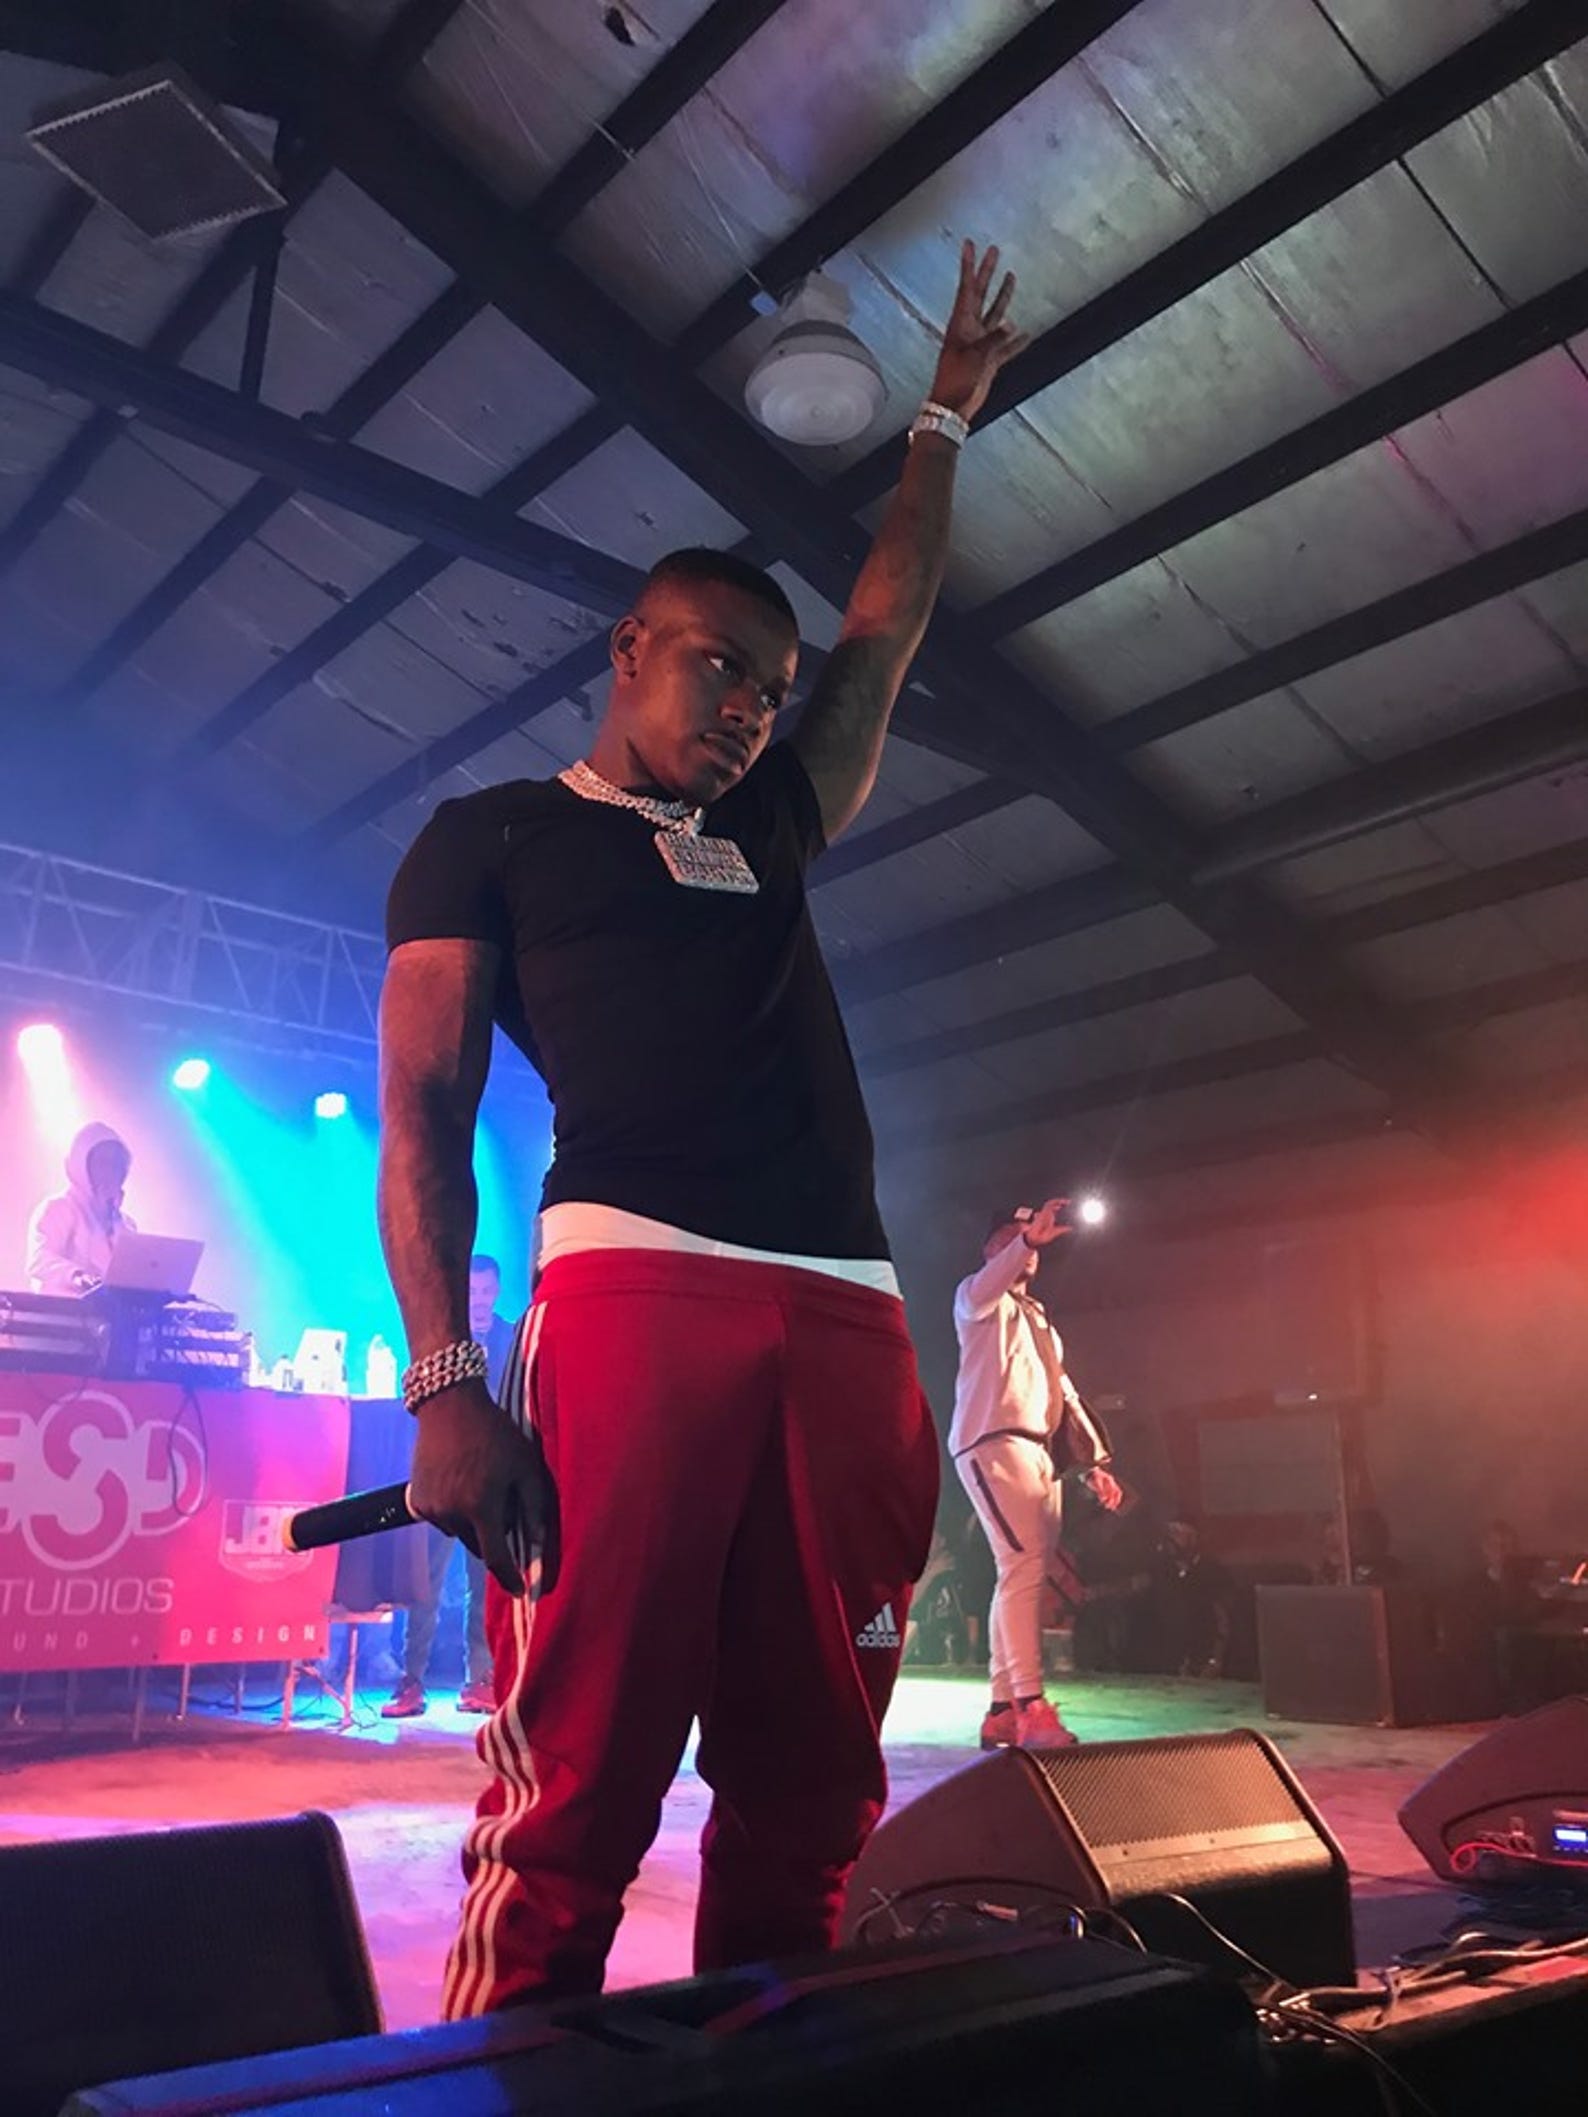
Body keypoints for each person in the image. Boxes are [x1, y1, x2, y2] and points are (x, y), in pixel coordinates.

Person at [377, 242, 1028, 2012]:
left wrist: (941, 423)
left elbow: (883, 635)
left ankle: (775, 2070)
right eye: (718, 669)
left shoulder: (772, 826)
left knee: (811, 1794)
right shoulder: (491, 835)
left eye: (766, 688)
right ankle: (511, 2071)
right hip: (633, 1291)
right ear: (627, 648)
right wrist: (443, 1387)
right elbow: (425, 1106)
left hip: (845, 1316)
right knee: (577, 1785)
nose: (747, 710)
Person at [950, 1200, 1123, 1751]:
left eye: (1028, 1240)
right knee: (1023, 1564)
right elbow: (989, 1284)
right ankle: (1031, 1705)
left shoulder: (1039, 1318)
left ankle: (1003, 1709)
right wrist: (1026, 1242)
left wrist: (1092, 1464)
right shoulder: (976, 1298)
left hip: (1039, 1452)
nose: (1024, 1245)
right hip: (993, 1442)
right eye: (1009, 1237)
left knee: (1022, 1570)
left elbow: (1062, 1390)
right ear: (989, 1249)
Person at [383, 1255, 516, 1719]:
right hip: (441, 1478)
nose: (479, 1301)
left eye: (486, 1292)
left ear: (497, 1292)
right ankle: (411, 1678)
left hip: (490, 1484)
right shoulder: (441, 1336)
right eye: (472, 1292)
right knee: (426, 1582)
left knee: (487, 1585)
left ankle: (482, 1678)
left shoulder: (513, 1340)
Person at [26, 1121, 136, 1296]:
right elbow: (40, 1260)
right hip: (61, 1310)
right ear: (82, 1165)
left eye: (116, 1164)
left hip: (106, 1312)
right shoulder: (58, 1208)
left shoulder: (126, 1224)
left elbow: (129, 1276)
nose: (110, 1171)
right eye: (102, 1162)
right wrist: (77, 1276)